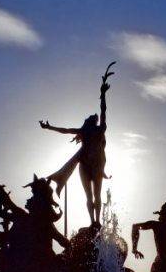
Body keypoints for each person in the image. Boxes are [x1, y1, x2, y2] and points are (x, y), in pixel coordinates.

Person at [40, 62, 115, 226]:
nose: (92, 118)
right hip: (84, 166)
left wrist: (103, 94)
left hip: (96, 166)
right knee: (89, 196)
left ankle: (97, 221)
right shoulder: (85, 131)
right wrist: (49, 127)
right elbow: (65, 130)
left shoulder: (100, 129)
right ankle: (92, 222)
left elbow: (103, 110)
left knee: (97, 195)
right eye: (91, 118)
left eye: (93, 118)